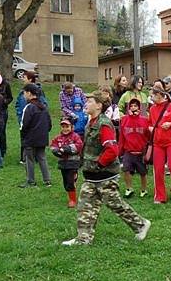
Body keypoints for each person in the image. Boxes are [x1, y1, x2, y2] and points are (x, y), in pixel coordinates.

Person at [62, 91, 152, 246]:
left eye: (90, 101)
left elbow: (112, 150)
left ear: (98, 105)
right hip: (91, 176)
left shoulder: (103, 124)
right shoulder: (91, 122)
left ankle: (141, 224)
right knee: (85, 207)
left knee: (115, 204)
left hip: (104, 175)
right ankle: (83, 239)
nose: (86, 104)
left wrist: (99, 164)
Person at [19, 84, 52, 188]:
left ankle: (30, 181)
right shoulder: (44, 107)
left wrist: (24, 137)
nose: (24, 95)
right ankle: (47, 180)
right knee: (42, 158)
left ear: (29, 93)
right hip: (42, 137)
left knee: (29, 159)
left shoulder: (29, 107)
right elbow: (49, 124)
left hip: (30, 138)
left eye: (24, 93)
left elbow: (24, 125)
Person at [119, 99, 151, 198]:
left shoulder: (145, 120)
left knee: (142, 172)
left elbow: (149, 136)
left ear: (139, 108)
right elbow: (121, 137)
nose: (133, 108)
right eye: (131, 106)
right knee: (126, 170)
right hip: (128, 151)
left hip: (141, 151)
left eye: (135, 106)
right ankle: (129, 188)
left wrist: (148, 149)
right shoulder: (124, 120)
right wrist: (119, 151)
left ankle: (143, 189)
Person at [50, 118, 83, 208]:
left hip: (73, 162)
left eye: (67, 127)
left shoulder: (75, 136)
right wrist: (55, 151)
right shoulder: (58, 137)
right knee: (65, 182)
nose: (65, 129)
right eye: (63, 127)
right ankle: (71, 190)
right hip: (63, 163)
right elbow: (53, 145)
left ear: (72, 127)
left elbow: (79, 145)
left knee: (70, 182)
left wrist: (68, 148)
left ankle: (72, 200)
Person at [15, 71, 47, 164]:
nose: (22, 79)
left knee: (32, 137)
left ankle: (34, 157)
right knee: (24, 136)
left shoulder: (38, 91)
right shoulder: (22, 91)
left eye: (24, 77)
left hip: (34, 118)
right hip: (23, 116)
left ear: (30, 79)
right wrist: (19, 113)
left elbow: (43, 104)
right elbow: (18, 103)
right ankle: (23, 157)